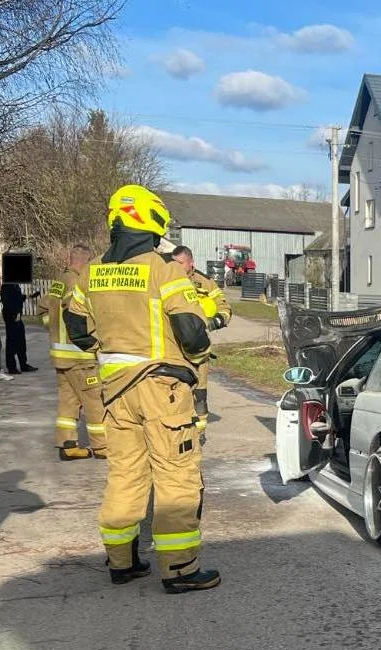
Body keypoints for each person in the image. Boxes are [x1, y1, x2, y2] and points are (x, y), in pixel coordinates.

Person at [64, 184, 220, 594]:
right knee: (176, 477)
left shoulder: (92, 270)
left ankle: (123, 562)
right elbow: (191, 330)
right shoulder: (162, 268)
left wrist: (106, 352)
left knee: (125, 474)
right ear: (150, 219)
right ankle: (181, 570)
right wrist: (198, 354)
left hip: (115, 392)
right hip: (162, 387)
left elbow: (77, 325)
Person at [36, 244, 107, 461]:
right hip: (81, 357)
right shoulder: (79, 283)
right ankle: (103, 447)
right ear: (86, 262)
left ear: (69, 258)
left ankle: (67, 445)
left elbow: (43, 310)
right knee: (95, 401)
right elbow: (81, 316)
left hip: (61, 357)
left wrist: (56, 332)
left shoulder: (58, 282)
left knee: (68, 401)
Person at [170, 245, 231, 438]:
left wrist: (214, 322)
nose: (177, 267)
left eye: (180, 263)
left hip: (198, 347)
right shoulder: (165, 279)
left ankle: (200, 431)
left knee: (199, 392)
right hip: (172, 347)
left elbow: (225, 308)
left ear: (191, 263)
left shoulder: (205, 283)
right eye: (174, 263)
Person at [0, 282, 39, 374]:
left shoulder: (15, 285)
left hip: (17, 316)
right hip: (12, 317)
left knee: (21, 341)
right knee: (12, 342)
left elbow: (17, 298)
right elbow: (7, 301)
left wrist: (29, 296)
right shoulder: (7, 285)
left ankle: (24, 365)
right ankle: (11, 367)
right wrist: (15, 314)